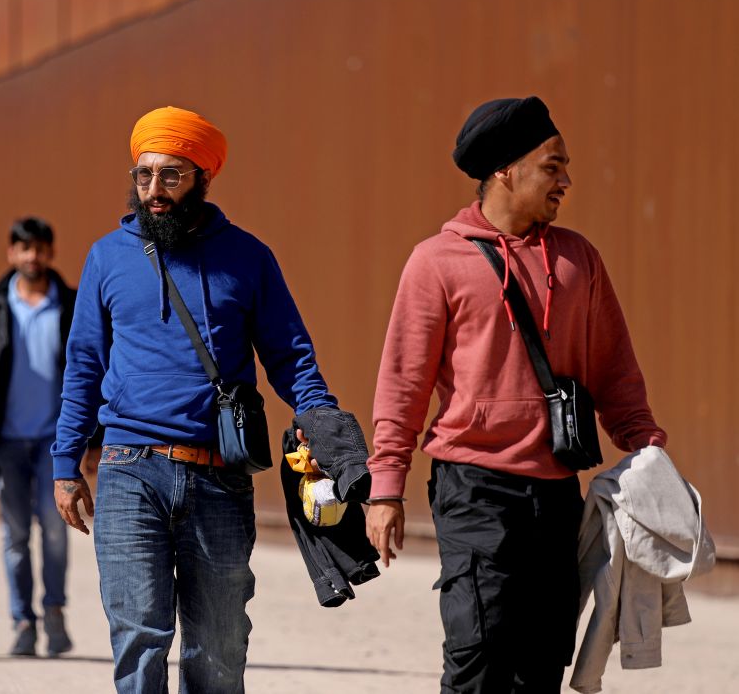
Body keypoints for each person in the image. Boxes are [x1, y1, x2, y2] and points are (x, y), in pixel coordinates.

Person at [367, 96, 667, 692]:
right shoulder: (436, 262)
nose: (566, 181)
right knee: (478, 657)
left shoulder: (580, 260)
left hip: (558, 492)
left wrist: (649, 450)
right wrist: (386, 488)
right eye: (552, 166)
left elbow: (616, 371)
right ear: (506, 169)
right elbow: (404, 384)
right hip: (472, 488)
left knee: (541, 664)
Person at [52, 106, 338, 693]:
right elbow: (83, 364)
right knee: (139, 637)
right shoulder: (107, 257)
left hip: (219, 478)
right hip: (129, 470)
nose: (154, 191)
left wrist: (322, 417)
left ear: (202, 178)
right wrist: (66, 464)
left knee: (219, 646)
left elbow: (289, 354)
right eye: (144, 176)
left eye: (171, 176)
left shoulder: (249, 257)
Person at [0, 216, 78, 657]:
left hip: (56, 440)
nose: (32, 257)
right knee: (14, 534)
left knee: (54, 527)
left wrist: (88, 439)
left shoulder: (69, 304)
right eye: (23, 248)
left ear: (51, 252)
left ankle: (54, 611)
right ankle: (22, 621)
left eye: (40, 248)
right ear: (11, 253)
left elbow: (91, 366)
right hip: (5, 442)